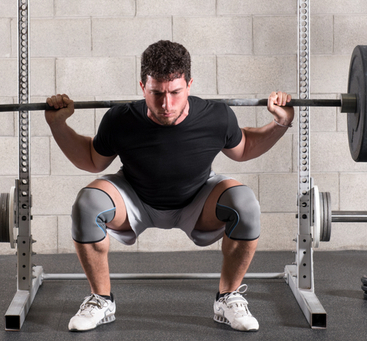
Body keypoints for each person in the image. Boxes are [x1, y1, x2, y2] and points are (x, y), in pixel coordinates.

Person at [45, 40, 294, 332]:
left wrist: (281, 123)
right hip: (135, 200)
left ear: (189, 84)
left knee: (245, 203)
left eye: (175, 92)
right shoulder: (121, 119)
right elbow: (91, 159)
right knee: (87, 203)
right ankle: (101, 300)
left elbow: (245, 147)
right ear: (143, 87)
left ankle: (228, 298)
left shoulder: (216, 116)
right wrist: (58, 125)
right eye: (156, 93)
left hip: (197, 201)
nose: (166, 104)